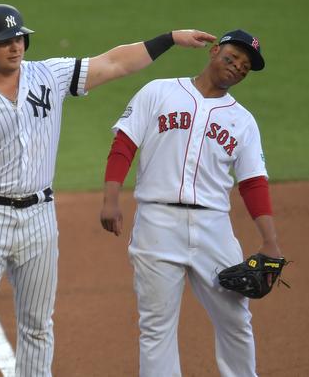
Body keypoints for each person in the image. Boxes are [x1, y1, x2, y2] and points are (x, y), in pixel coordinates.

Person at [0, 3, 216, 377]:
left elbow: (113, 63)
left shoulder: (48, 75)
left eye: (19, 38)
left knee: (38, 323)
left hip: (39, 218)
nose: (15, 47)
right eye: (4, 41)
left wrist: (169, 39)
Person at [99, 29, 284, 376]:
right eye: (232, 59)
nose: (236, 69)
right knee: (157, 327)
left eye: (244, 68)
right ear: (214, 52)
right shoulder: (159, 92)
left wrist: (270, 240)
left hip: (213, 228)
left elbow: (253, 183)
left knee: (235, 317)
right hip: (157, 223)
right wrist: (111, 198)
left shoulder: (243, 121)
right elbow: (124, 145)